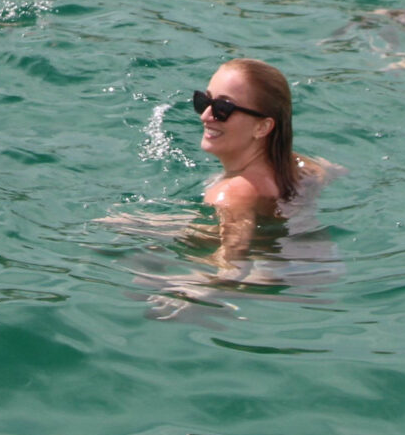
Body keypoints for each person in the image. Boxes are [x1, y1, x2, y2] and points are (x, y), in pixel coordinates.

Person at [105, 59, 337, 307]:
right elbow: (331, 171)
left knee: (134, 269)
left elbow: (233, 267)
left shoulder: (231, 192)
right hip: (316, 264)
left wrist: (190, 290)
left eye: (222, 108)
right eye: (204, 101)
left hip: (277, 278)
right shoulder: (302, 166)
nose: (206, 115)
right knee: (125, 223)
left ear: (262, 127)